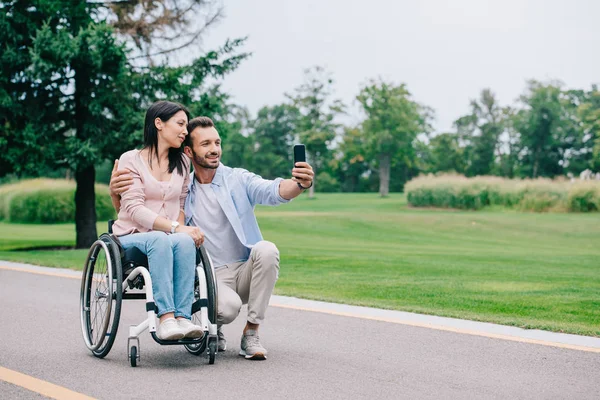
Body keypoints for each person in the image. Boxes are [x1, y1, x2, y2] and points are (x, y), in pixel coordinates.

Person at [110, 116, 314, 360]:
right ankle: (216, 327)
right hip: (210, 276)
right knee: (227, 310)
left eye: (217, 143)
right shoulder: (181, 187)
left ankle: (251, 332)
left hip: (245, 268)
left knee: (267, 249)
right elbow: (142, 212)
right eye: (205, 144)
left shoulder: (237, 178)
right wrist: (116, 192)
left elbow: (273, 190)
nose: (215, 149)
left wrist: (299, 184)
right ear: (189, 151)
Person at [112, 101, 205, 341]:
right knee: (160, 239)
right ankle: (166, 319)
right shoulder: (130, 159)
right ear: (159, 124)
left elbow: (181, 205)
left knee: (184, 242)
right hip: (132, 235)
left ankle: (183, 318)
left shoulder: (183, 163)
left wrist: (180, 230)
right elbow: (134, 209)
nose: (185, 131)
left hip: (168, 238)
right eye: (180, 124)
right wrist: (176, 227)